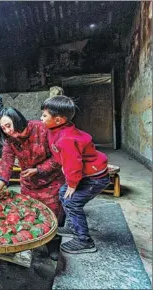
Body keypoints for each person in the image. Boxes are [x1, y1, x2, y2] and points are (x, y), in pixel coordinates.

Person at [41, 95, 110, 254]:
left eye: (45, 116)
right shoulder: (56, 128)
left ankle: (84, 240)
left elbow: (73, 164)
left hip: (94, 178)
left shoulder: (66, 138)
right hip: (87, 174)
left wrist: (72, 184)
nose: (41, 118)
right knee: (63, 193)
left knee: (72, 202)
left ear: (58, 120)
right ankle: (73, 226)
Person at [0, 107, 65, 222]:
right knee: (30, 217)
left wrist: (38, 169)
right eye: (3, 128)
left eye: (8, 126)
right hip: (29, 184)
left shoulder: (41, 128)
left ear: (17, 120)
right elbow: (5, 165)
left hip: (51, 184)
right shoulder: (10, 140)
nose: (7, 131)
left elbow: (59, 155)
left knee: (52, 220)